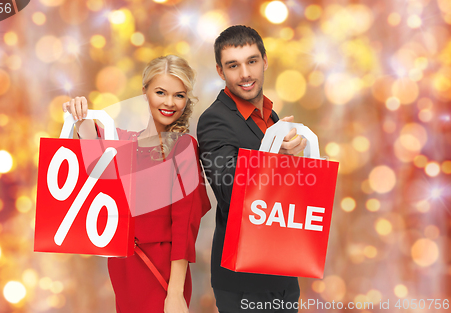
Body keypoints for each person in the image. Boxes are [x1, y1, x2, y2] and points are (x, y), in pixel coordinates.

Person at [62, 55, 211, 313]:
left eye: (178, 95)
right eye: (160, 92)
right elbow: (93, 159)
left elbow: (185, 225)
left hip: (162, 271)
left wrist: (175, 294)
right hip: (124, 267)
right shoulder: (122, 141)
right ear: (145, 92)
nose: (169, 102)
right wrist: (80, 114)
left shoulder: (184, 147)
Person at [197, 25, 307, 312]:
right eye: (233, 65)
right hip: (243, 279)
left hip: (283, 270)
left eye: (252, 61)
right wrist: (274, 155)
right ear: (221, 72)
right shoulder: (214, 121)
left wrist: (293, 161)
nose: (245, 74)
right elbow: (229, 191)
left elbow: (281, 191)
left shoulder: (271, 116)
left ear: (265, 61)